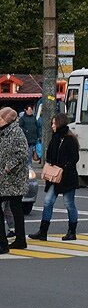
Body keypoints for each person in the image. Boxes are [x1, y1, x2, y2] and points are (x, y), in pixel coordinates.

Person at [29, 112, 80, 241]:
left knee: (69, 204)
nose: (52, 126)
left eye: (53, 123)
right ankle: (43, 232)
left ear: (59, 123)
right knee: (47, 202)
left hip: (67, 177)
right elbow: (50, 156)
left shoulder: (70, 139)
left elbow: (74, 158)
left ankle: (72, 232)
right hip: (54, 177)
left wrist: (63, 169)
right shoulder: (55, 137)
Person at [0, 107, 29, 252]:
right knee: (16, 209)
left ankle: (4, 243)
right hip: (5, 180)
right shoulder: (4, 132)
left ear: (7, 119)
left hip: (13, 179)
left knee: (16, 208)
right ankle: (19, 240)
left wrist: (8, 167)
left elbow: (23, 154)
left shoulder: (16, 132)